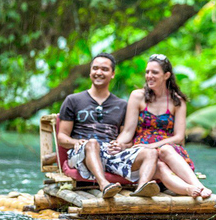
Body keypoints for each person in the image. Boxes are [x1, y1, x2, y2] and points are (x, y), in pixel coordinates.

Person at [57, 53, 161, 198]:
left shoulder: (122, 105)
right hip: (82, 154)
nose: (99, 72)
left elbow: (128, 139)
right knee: (92, 143)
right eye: (95, 68)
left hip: (110, 155)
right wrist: (76, 142)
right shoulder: (73, 100)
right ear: (90, 72)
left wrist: (122, 146)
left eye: (104, 69)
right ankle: (104, 185)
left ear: (112, 74)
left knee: (151, 152)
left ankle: (142, 187)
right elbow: (61, 137)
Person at [112, 54, 212, 199]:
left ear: (166, 75)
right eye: (147, 72)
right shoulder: (137, 96)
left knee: (165, 150)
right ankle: (189, 189)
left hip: (169, 149)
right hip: (144, 149)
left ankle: (199, 186)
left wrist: (154, 145)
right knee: (159, 165)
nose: (149, 76)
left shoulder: (177, 101)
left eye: (154, 72)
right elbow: (128, 131)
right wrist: (117, 145)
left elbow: (179, 137)